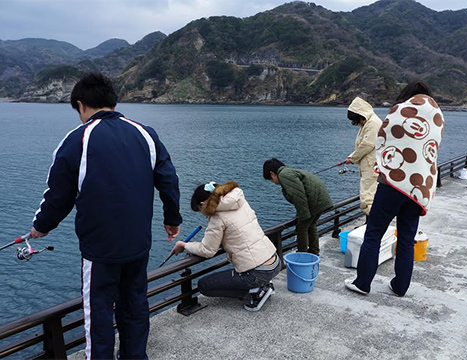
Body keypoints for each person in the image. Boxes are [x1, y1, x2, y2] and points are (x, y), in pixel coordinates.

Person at [29, 73, 182, 359]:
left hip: (99, 250)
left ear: (81, 105)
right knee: (135, 304)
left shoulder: (78, 139)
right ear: (112, 101)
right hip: (139, 243)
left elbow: (58, 194)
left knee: (98, 313)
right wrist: (172, 219)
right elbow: (168, 180)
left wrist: (41, 227)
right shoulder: (145, 133)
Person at [345, 81, 444, 297]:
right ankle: (400, 287)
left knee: (374, 234)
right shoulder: (437, 118)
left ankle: (363, 283)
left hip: (394, 183)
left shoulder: (400, 111)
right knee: (407, 239)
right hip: (418, 189)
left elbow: (383, 138)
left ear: (408, 96)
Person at [170, 181, 281, 312]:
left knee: (204, 285)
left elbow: (207, 250)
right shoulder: (239, 201)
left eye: (200, 210)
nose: (203, 214)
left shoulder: (217, 217)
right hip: (274, 262)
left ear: (203, 204)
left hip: (257, 272)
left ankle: (255, 292)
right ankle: (261, 286)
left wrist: (184, 245)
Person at [263, 158, 333, 255]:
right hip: (321, 200)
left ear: (272, 174)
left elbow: (299, 196)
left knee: (301, 228)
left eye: (271, 180)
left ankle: (302, 254)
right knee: (311, 225)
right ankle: (314, 252)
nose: (273, 182)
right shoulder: (289, 172)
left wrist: (303, 215)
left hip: (315, 202)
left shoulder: (284, 175)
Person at [345, 97, 383, 219]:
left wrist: (353, 158)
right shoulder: (368, 122)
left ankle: (372, 225)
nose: (356, 122)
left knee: (368, 197)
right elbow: (364, 144)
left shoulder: (373, 123)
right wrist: (352, 157)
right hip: (369, 164)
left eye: (355, 119)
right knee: (371, 194)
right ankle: (372, 224)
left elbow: (367, 145)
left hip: (371, 165)